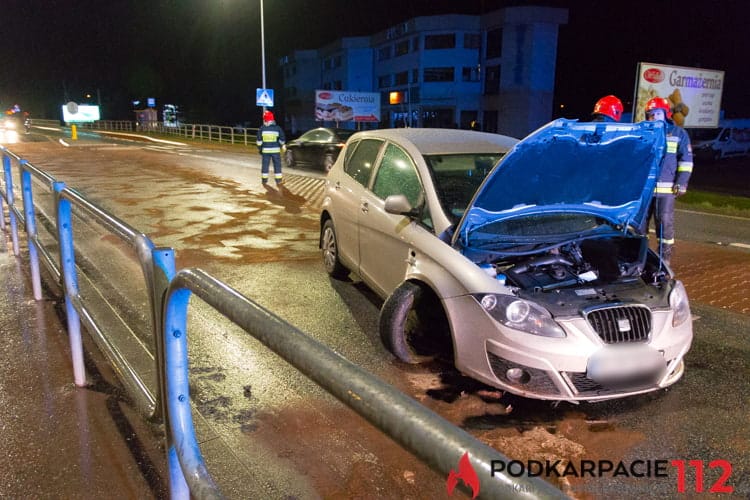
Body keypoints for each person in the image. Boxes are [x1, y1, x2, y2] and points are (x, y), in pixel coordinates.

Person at [641, 96, 694, 265]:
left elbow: (686, 161)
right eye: (651, 114)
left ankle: (664, 260)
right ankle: (639, 256)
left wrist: (681, 182)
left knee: (664, 226)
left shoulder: (679, 134)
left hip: (666, 191)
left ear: (666, 114)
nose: (654, 117)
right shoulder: (644, 133)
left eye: (657, 113)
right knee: (639, 226)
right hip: (645, 191)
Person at [256, 110, 286, 185]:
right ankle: (278, 180)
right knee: (277, 165)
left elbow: (259, 141)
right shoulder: (278, 128)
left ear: (265, 120)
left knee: (265, 165)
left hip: (265, 151)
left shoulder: (262, 128)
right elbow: (282, 139)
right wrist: (278, 145)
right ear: (272, 119)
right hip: (276, 151)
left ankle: (264, 180)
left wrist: (260, 149)